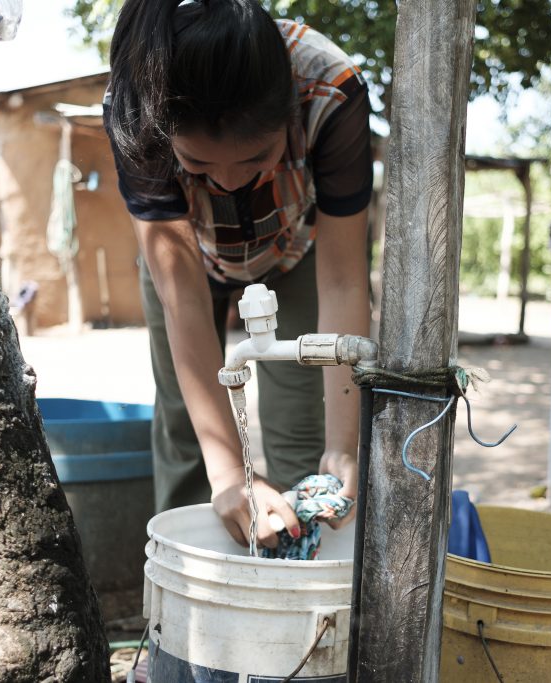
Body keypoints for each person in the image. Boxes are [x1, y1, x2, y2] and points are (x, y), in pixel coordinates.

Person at [103, 0, 372, 550]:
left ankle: (298, 574)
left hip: (295, 255)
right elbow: (183, 299)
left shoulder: (331, 90)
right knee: (188, 432)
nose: (227, 182)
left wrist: (344, 447)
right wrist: (229, 476)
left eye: (255, 159)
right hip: (186, 261)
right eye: (199, 164)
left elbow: (345, 281)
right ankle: (192, 575)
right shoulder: (138, 102)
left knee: (304, 428)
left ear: (290, 115)